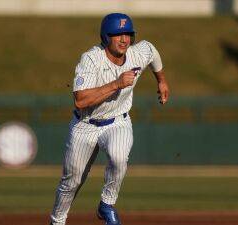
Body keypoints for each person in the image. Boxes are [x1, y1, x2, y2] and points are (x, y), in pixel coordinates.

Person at [49, 13, 170, 225]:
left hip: (117, 121)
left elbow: (152, 51)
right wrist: (116, 84)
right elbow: (80, 100)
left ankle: (106, 204)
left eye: (128, 34)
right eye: (117, 34)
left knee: (119, 156)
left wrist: (162, 81)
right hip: (85, 125)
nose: (124, 39)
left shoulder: (136, 54)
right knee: (72, 181)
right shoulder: (91, 59)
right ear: (106, 37)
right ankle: (57, 221)